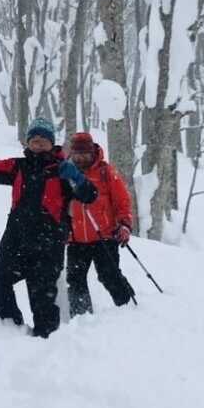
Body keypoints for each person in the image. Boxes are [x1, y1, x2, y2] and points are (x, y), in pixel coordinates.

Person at [0, 117, 97, 337]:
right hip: (15, 242)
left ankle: (46, 347)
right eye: (34, 138)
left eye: (44, 138)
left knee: (43, 303)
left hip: (48, 248)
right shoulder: (17, 166)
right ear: (27, 143)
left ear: (52, 143)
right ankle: (10, 333)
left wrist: (76, 179)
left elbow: (90, 195)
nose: (39, 142)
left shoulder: (63, 170)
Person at [65, 132, 135, 317]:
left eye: (85, 154)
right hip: (75, 239)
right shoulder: (64, 173)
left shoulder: (105, 171)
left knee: (108, 275)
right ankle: (81, 317)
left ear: (92, 152)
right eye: (77, 154)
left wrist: (124, 225)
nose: (81, 158)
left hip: (105, 236)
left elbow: (122, 201)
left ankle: (128, 308)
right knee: (75, 279)